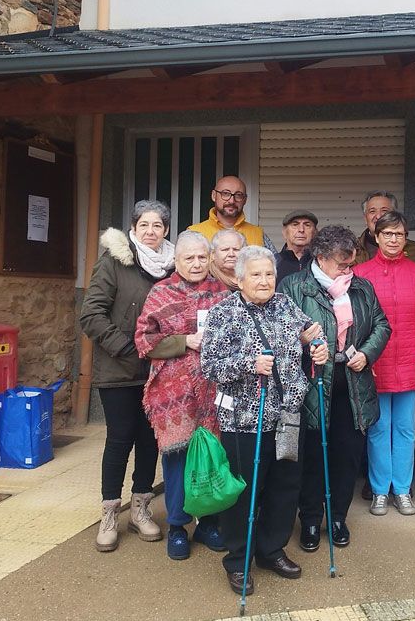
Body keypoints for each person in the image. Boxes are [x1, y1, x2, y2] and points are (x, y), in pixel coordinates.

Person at [200, 246, 328, 594]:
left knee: (285, 486)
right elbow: (209, 366)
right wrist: (248, 363)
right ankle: (239, 559)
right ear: (239, 279)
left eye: (269, 273)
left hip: (287, 414)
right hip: (243, 419)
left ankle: (272, 549)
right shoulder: (223, 313)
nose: (264, 280)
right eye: (255, 274)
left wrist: (318, 345)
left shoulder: (286, 305)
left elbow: (311, 333)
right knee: (245, 492)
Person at [281, 226, 391, 550]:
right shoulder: (294, 287)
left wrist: (367, 353)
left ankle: (338, 517)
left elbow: (382, 324)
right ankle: (311, 519)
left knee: (347, 455)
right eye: (342, 265)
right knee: (314, 455)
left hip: (354, 385)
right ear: (321, 258)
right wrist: (304, 346)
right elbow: (282, 331)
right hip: (313, 385)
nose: (348, 271)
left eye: (351, 264)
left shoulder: (362, 287)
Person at [79, 200, 175, 552]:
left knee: (150, 440)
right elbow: (91, 315)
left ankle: (141, 507)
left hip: (159, 371)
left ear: (166, 230)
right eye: (144, 225)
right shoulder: (114, 262)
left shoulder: (173, 266)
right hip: (120, 368)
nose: (151, 232)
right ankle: (109, 512)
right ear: (133, 228)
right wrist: (128, 348)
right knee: (120, 438)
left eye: (158, 226)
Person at [134, 230, 230, 560]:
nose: (196, 263)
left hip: (215, 391)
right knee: (176, 460)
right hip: (172, 394)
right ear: (177, 260)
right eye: (189, 258)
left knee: (213, 457)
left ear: (211, 259)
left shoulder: (224, 293)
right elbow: (144, 340)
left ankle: (209, 523)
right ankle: (177, 526)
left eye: (202, 257)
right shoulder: (161, 292)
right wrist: (184, 342)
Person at [354, 211, 415, 517]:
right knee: (378, 428)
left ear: (406, 238)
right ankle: (379, 491)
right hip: (375, 365)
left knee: (405, 429)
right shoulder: (361, 273)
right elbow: (354, 323)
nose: (393, 240)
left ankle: (402, 490)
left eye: (399, 234)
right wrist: (363, 357)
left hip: (410, 363)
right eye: (387, 234)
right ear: (376, 237)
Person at [188, 175, 275, 250]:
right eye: (226, 193)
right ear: (214, 196)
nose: (232, 201)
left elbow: (275, 266)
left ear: (245, 200)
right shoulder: (194, 233)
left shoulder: (258, 234)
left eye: (238, 195)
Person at [353, 191, 415, 266]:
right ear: (365, 218)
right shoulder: (352, 248)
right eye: (372, 211)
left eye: (384, 211)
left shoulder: (414, 249)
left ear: (394, 216)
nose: (378, 216)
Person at [276, 210, 317, 286]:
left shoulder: (322, 263)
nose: (301, 230)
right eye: (295, 225)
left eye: (307, 225)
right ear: (285, 232)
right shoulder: (273, 263)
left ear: (315, 232)